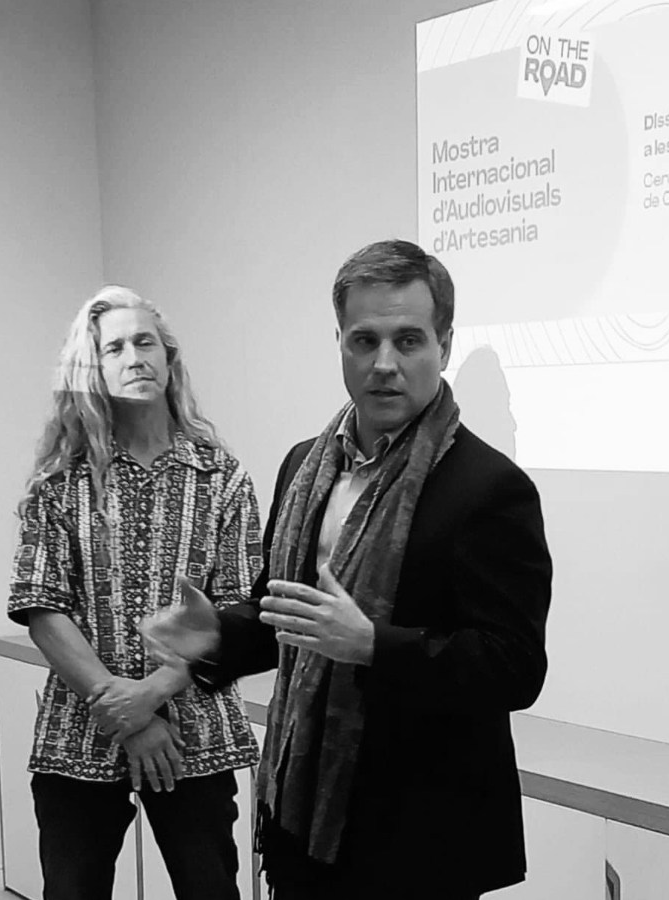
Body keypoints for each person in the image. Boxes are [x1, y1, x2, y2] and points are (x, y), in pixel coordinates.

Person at [144, 240, 553, 900]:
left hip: (422, 838)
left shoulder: (488, 488)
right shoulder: (305, 466)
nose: (384, 364)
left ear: (444, 345)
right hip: (302, 823)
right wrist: (217, 634)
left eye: (408, 340)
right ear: (339, 342)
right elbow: (285, 618)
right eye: (364, 340)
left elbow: (515, 667)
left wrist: (372, 645)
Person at [7, 286, 261, 900]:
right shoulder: (61, 481)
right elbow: (42, 607)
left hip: (195, 728)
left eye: (145, 342)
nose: (134, 357)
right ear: (92, 370)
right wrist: (123, 711)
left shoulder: (221, 477)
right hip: (81, 727)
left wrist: (151, 694)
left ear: (169, 357)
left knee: (211, 889)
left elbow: (237, 608)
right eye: (114, 348)